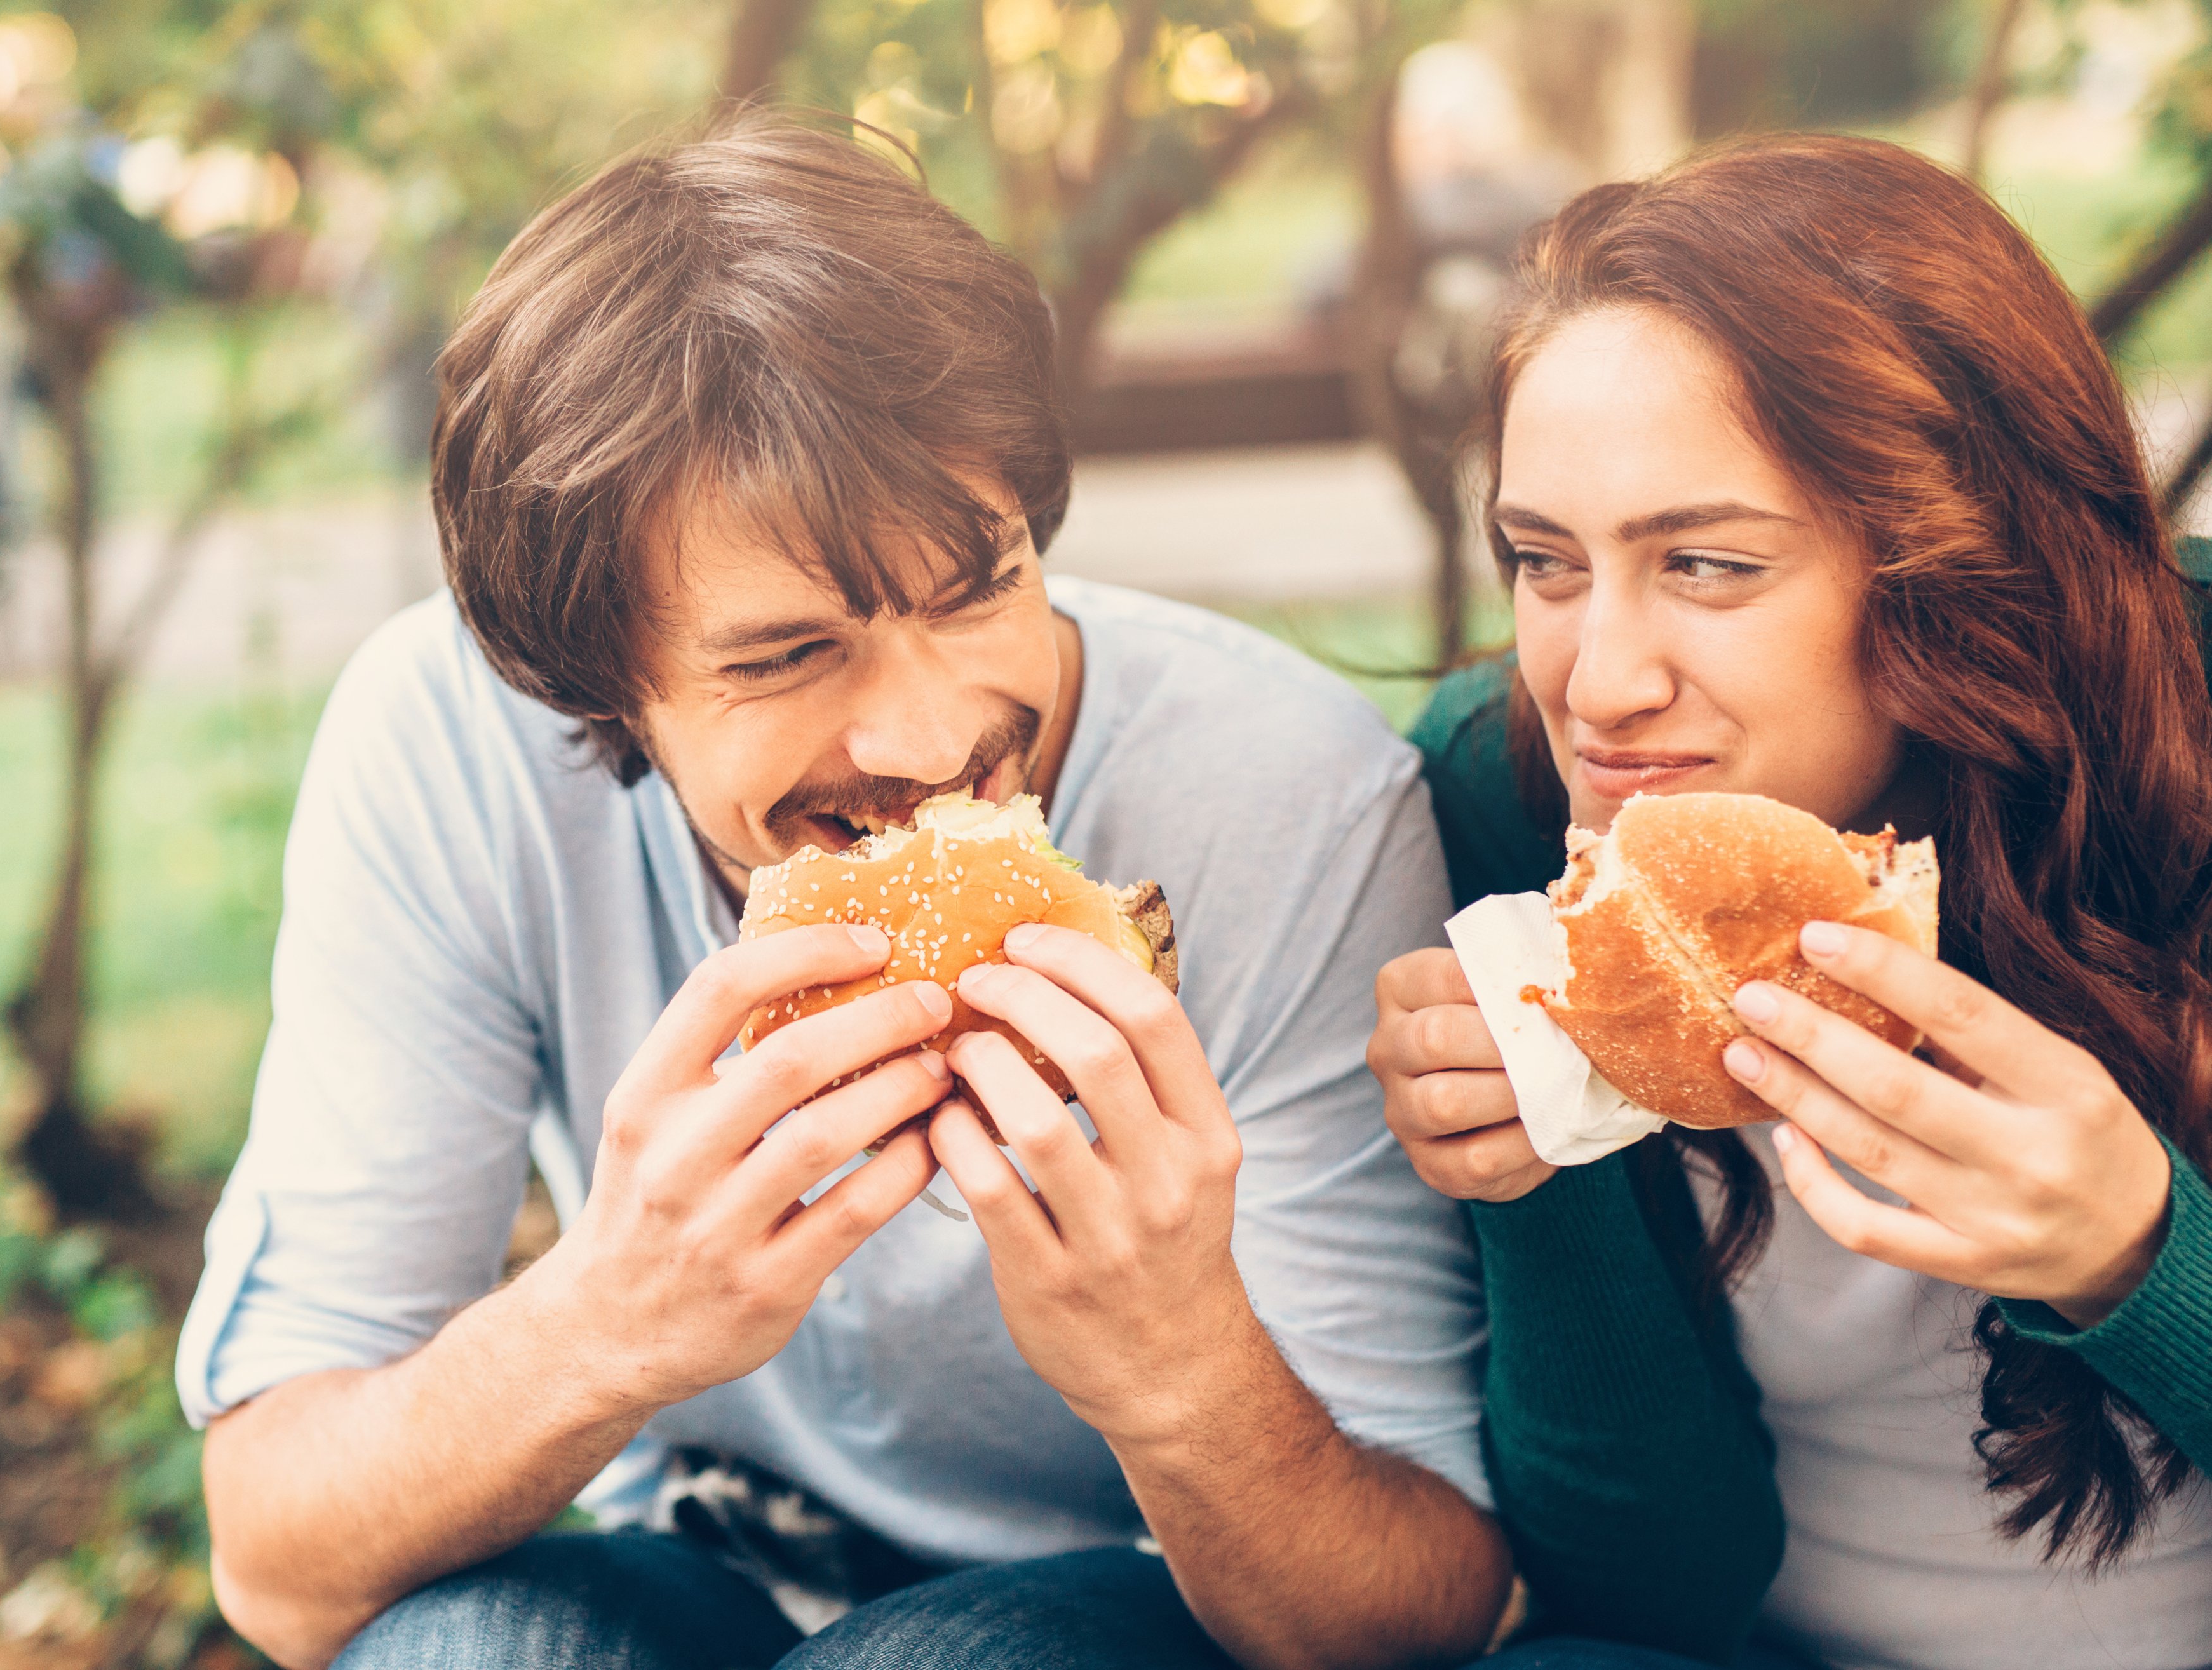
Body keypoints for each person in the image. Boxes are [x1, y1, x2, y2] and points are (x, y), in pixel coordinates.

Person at [178, 114, 1513, 1670]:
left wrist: (1183, 1370)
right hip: (691, 1564)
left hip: (1135, 1599)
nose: (935, 738)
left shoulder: (1282, 787)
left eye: (980, 586)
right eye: (790, 655)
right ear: (590, 684)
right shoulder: (449, 745)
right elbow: (275, 1565)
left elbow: (1425, 1616)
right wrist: (604, 1323)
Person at [1369, 133, 2212, 1670]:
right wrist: (1539, 1158)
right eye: (1543, 562)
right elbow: (1645, 1592)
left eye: (1704, 563)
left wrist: (2141, 1258)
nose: (1599, 688)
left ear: (1962, 555)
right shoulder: (1500, 796)